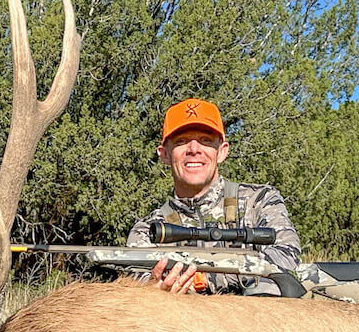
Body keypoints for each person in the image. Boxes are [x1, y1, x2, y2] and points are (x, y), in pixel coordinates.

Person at [128, 98, 302, 294]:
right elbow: (138, 279)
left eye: (205, 140)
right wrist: (155, 289)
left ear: (222, 151)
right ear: (164, 154)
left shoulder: (259, 200)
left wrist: (204, 279)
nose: (194, 150)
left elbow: (286, 254)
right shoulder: (148, 230)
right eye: (182, 141)